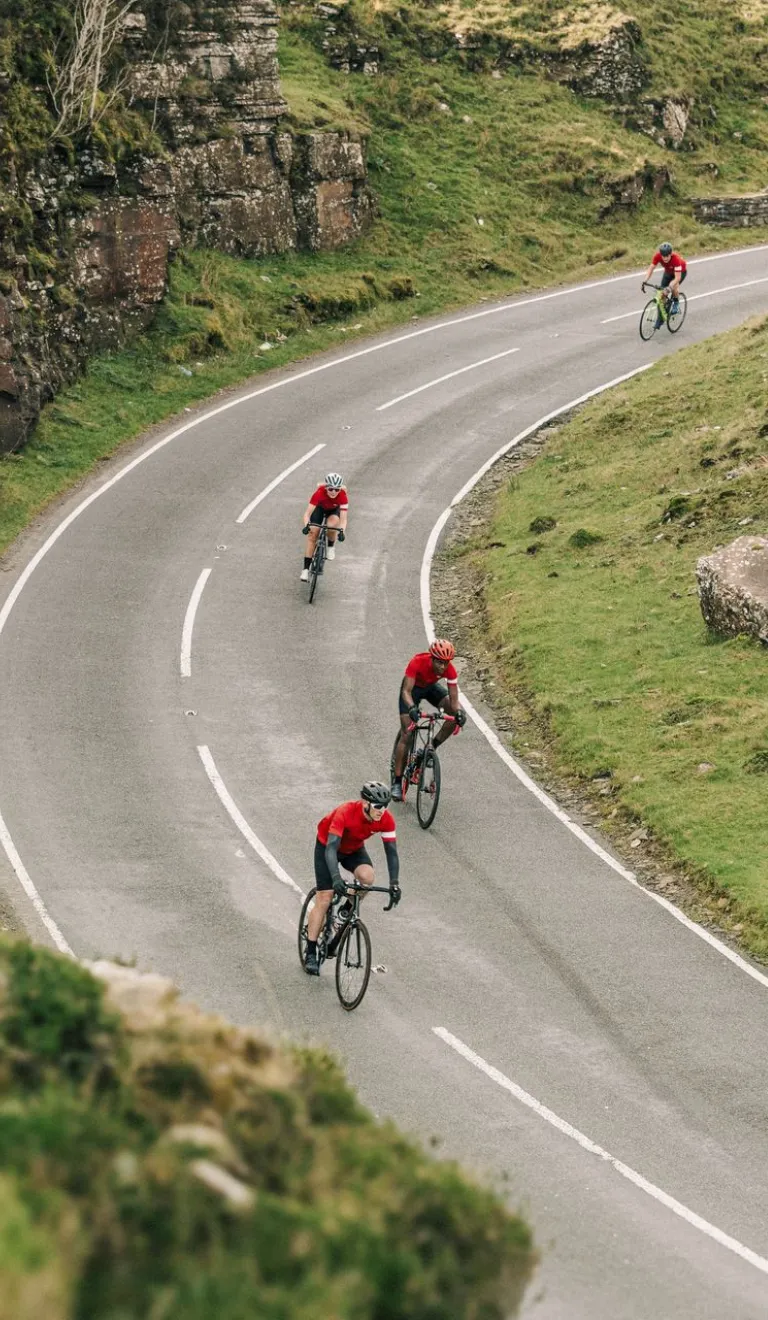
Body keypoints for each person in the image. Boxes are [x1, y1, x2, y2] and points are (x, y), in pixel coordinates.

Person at [304, 781, 401, 976]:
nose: (382, 810)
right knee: (325, 897)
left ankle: (345, 910)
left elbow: (391, 853)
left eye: (385, 806)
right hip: (328, 847)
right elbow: (331, 849)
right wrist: (336, 878)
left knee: (367, 877)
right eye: (377, 806)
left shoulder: (386, 819)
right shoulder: (346, 812)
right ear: (365, 803)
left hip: (353, 849)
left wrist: (394, 884)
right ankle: (311, 951)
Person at [391, 639, 466, 801]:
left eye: (446, 663)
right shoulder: (417, 662)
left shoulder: (450, 670)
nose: (443, 667)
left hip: (430, 688)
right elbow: (406, 691)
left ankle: (428, 750)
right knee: (407, 734)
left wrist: (459, 713)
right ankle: (397, 782)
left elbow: (453, 701)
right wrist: (411, 708)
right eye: (439, 662)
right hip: (412, 691)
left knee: (454, 717)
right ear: (432, 658)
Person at [300, 472, 348, 582]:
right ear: (326, 487)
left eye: (337, 489)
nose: (333, 492)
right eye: (331, 489)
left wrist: (342, 531)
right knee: (313, 535)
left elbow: (343, 519)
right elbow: (307, 514)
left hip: (333, 510)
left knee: (332, 525)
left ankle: (331, 546)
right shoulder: (318, 494)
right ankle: (306, 570)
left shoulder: (343, 496)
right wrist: (307, 525)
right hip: (320, 508)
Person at [643, 242, 687, 324]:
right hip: (668, 272)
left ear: (671, 254)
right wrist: (645, 280)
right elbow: (651, 268)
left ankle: (676, 304)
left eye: (667, 256)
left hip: (680, 272)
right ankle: (663, 314)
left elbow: (677, 278)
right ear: (661, 254)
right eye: (663, 256)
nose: (665, 258)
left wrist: (669, 287)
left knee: (674, 287)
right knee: (661, 293)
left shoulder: (676, 259)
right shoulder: (657, 256)